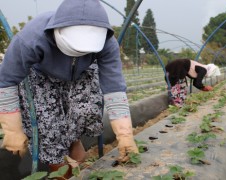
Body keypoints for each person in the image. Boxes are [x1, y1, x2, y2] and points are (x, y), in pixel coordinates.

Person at [0, 0, 138, 178]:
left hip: (82, 73)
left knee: (83, 113)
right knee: (49, 128)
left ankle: (75, 150)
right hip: (41, 76)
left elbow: (114, 87)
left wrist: (125, 134)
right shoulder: (31, 38)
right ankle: (62, 173)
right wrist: (12, 130)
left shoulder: (106, 42)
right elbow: (6, 80)